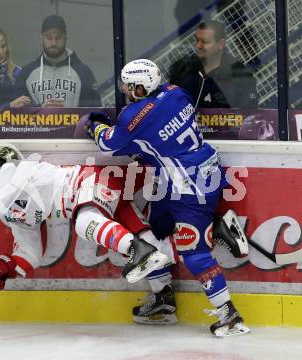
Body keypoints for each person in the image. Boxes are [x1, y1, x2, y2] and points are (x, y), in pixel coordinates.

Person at [85, 58, 250, 337]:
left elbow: (108, 144)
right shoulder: (176, 92)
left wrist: (96, 125)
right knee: (154, 230)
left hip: (189, 187)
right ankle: (163, 299)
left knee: (194, 253)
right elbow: (159, 137)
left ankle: (229, 314)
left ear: (142, 86)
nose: (125, 90)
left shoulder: (134, 116)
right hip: (195, 174)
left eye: (130, 86)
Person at [0, 144, 168, 289]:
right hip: (92, 194)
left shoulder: (14, 170)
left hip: (89, 182)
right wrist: (5, 268)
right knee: (155, 244)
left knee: (85, 223)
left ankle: (140, 251)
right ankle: (161, 287)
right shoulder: (9, 212)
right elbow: (29, 253)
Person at [13, 14, 102, 108]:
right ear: (41, 39)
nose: (54, 43)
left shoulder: (83, 72)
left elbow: (95, 111)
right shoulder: (26, 73)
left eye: (58, 38)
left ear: (66, 39)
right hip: (38, 123)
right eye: (49, 38)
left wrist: (68, 116)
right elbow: (17, 114)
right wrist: (41, 111)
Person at [168, 20, 258, 109]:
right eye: (197, 40)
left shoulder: (239, 74)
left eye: (204, 42)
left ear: (221, 44)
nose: (197, 46)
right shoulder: (183, 68)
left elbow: (249, 111)